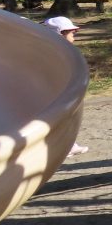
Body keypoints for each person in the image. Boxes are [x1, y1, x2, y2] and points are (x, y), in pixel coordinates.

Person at [43, 16, 89, 157]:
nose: (74, 38)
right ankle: (64, 148)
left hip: (56, 92)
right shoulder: (54, 52)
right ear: (61, 34)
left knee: (64, 120)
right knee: (58, 120)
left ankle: (69, 146)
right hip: (53, 94)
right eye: (71, 34)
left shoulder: (57, 50)